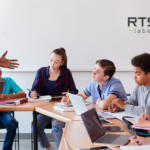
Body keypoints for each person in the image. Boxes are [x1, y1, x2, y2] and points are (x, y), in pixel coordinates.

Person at [29, 48, 78, 150]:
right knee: (35, 127)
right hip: (44, 109)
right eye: (51, 60)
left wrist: (68, 96)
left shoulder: (66, 72)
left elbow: (74, 91)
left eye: (56, 62)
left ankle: (62, 148)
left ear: (62, 63)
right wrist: (33, 93)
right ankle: (50, 148)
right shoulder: (41, 71)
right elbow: (34, 89)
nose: (52, 64)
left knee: (55, 128)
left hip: (60, 109)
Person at [62, 59, 127, 110]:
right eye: (94, 68)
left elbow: (104, 105)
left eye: (98, 71)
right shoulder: (94, 82)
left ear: (106, 77)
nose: (93, 72)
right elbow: (83, 95)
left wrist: (98, 102)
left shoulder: (116, 83)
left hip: (118, 118)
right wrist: (70, 99)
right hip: (101, 114)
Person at [0, 68, 26, 150]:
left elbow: (23, 94)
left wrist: (7, 96)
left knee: (12, 123)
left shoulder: (8, 81)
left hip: (4, 113)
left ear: (0, 73)